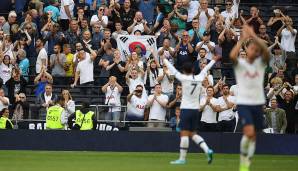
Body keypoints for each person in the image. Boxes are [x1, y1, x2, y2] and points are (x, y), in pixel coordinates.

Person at [161, 53, 219, 164]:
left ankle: (182, 159)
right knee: (193, 134)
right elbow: (206, 68)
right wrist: (213, 60)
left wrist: (165, 60)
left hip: (186, 109)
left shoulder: (183, 78)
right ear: (193, 69)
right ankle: (208, 150)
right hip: (196, 110)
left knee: (184, 133)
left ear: (184, 71)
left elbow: (172, 70)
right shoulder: (199, 77)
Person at [230, 25, 270, 171]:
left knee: (253, 136)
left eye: (256, 49)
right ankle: (243, 162)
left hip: (258, 103)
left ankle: (248, 160)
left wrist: (254, 36)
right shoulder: (241, 65)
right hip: (244, 103)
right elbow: (232, 56)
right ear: (247, 52)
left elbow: (267, 52)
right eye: (251, 48)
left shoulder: (261, 64)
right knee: (248, 132)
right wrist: (242, 40)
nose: (254, 50)